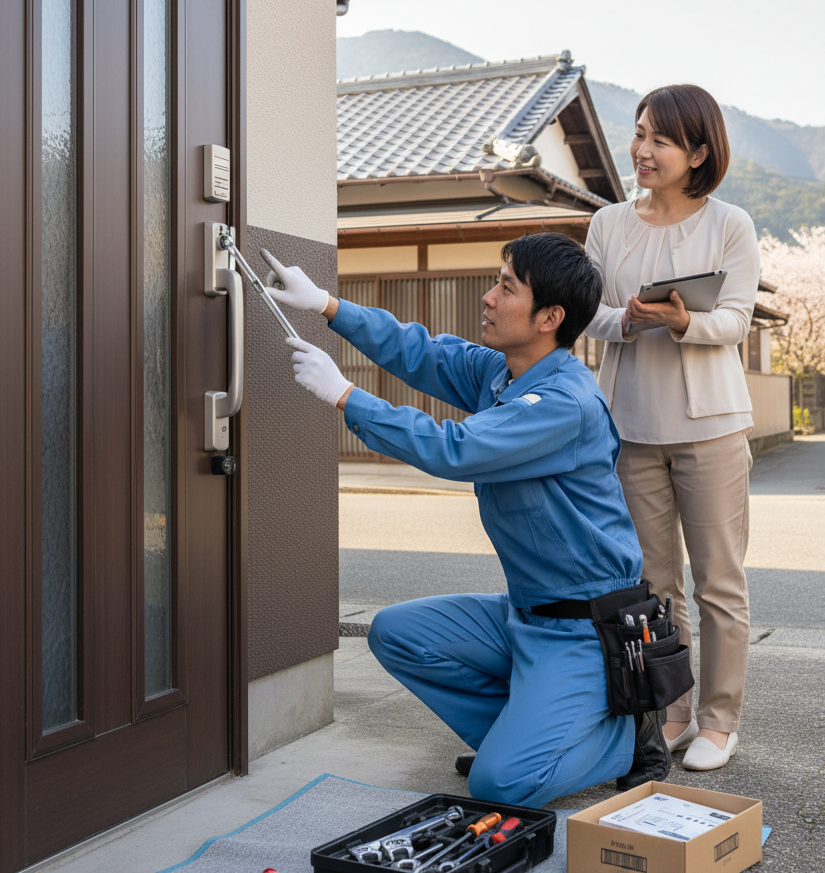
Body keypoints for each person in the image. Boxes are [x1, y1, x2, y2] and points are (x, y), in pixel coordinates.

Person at [260, 233, 653, 806]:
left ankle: (622, 738)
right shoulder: (505, 372)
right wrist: (326, 304)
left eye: (506, 287)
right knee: (396, 633)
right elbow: (422, 353)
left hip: (584, 632)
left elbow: (456, 450)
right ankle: (519, 735)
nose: (489, 297)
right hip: (526, 614)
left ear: (550, 318)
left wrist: (346, 395)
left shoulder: (564, 403)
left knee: (500, 784)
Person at [584, 84, 760, 772]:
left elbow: (737, 321)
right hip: (630, 425)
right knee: (654, 586)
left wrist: (684, 321)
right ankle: (674, 709)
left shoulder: (730, 224)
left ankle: (720, 721)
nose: (642, 150)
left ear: (697, 151)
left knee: (718, 581)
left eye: (659, 139)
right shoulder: (608, 224)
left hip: (711, 426)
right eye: (638, 133)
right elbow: (584, 313)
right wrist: (626, 319)